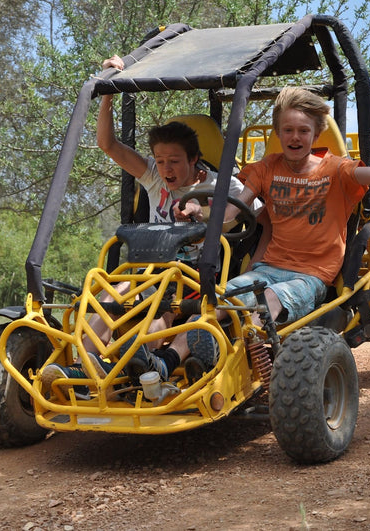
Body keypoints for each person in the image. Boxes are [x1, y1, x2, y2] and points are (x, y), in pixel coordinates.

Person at [129, 86, 370, 383]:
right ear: (277, 133)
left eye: (303, 131)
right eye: (287, 130)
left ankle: (223, 354)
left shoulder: (336, 169)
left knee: (267, 298)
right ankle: (167, 359)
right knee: (218, 299)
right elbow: (230, 212)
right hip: (268, 268)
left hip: (311, 275)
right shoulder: (267, 168)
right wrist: (199, 213)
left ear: (316, 135)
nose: (295, 137)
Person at [41, 55, 263, 395]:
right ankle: (85, 368)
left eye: (174, 161)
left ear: (193, 160)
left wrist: (209, 217)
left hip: (197, 273)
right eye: (160, 161)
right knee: (106, 297)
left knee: (163, 313)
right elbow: (107, 145)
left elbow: (258, 216)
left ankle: (155, 367)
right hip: (150, 270)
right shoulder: (153, 178)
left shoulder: (224, 185)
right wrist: (108, 94)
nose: (166, 169)